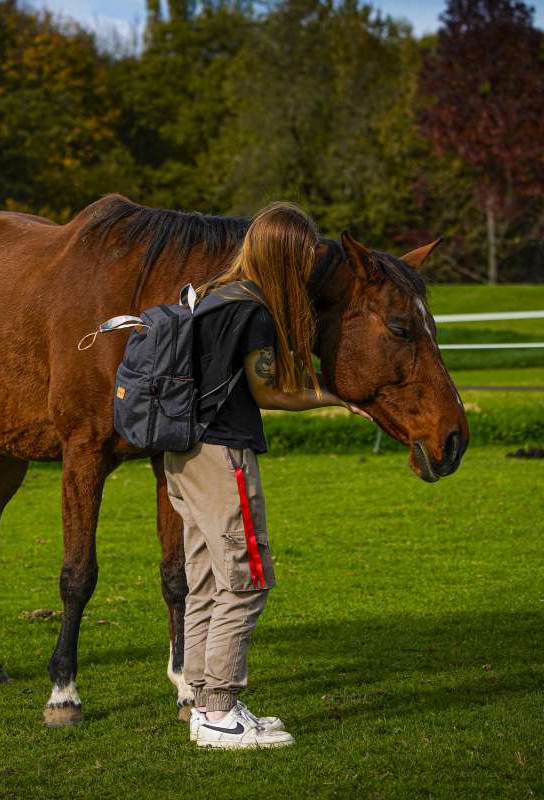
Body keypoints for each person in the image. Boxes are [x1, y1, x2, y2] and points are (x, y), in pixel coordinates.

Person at [165, 202, 371, 749]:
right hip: (221, 455)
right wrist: (336, 396)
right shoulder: (252, 310)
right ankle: (219, 710)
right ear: (283, 255)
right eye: (304, 255)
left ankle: (203, 704)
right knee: (247, 577)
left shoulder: (211, 295)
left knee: (206, 578)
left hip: (181, 454)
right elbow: (269, 391)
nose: (309, 266)